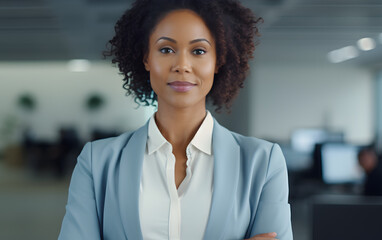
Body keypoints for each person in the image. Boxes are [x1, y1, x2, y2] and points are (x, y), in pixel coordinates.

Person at [59, 0, 292, 239]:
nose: (182, 65)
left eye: (198, 51)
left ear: (218, 61)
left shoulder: (262, 163)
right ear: (146, 58)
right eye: (166, 50)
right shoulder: (97, 163)